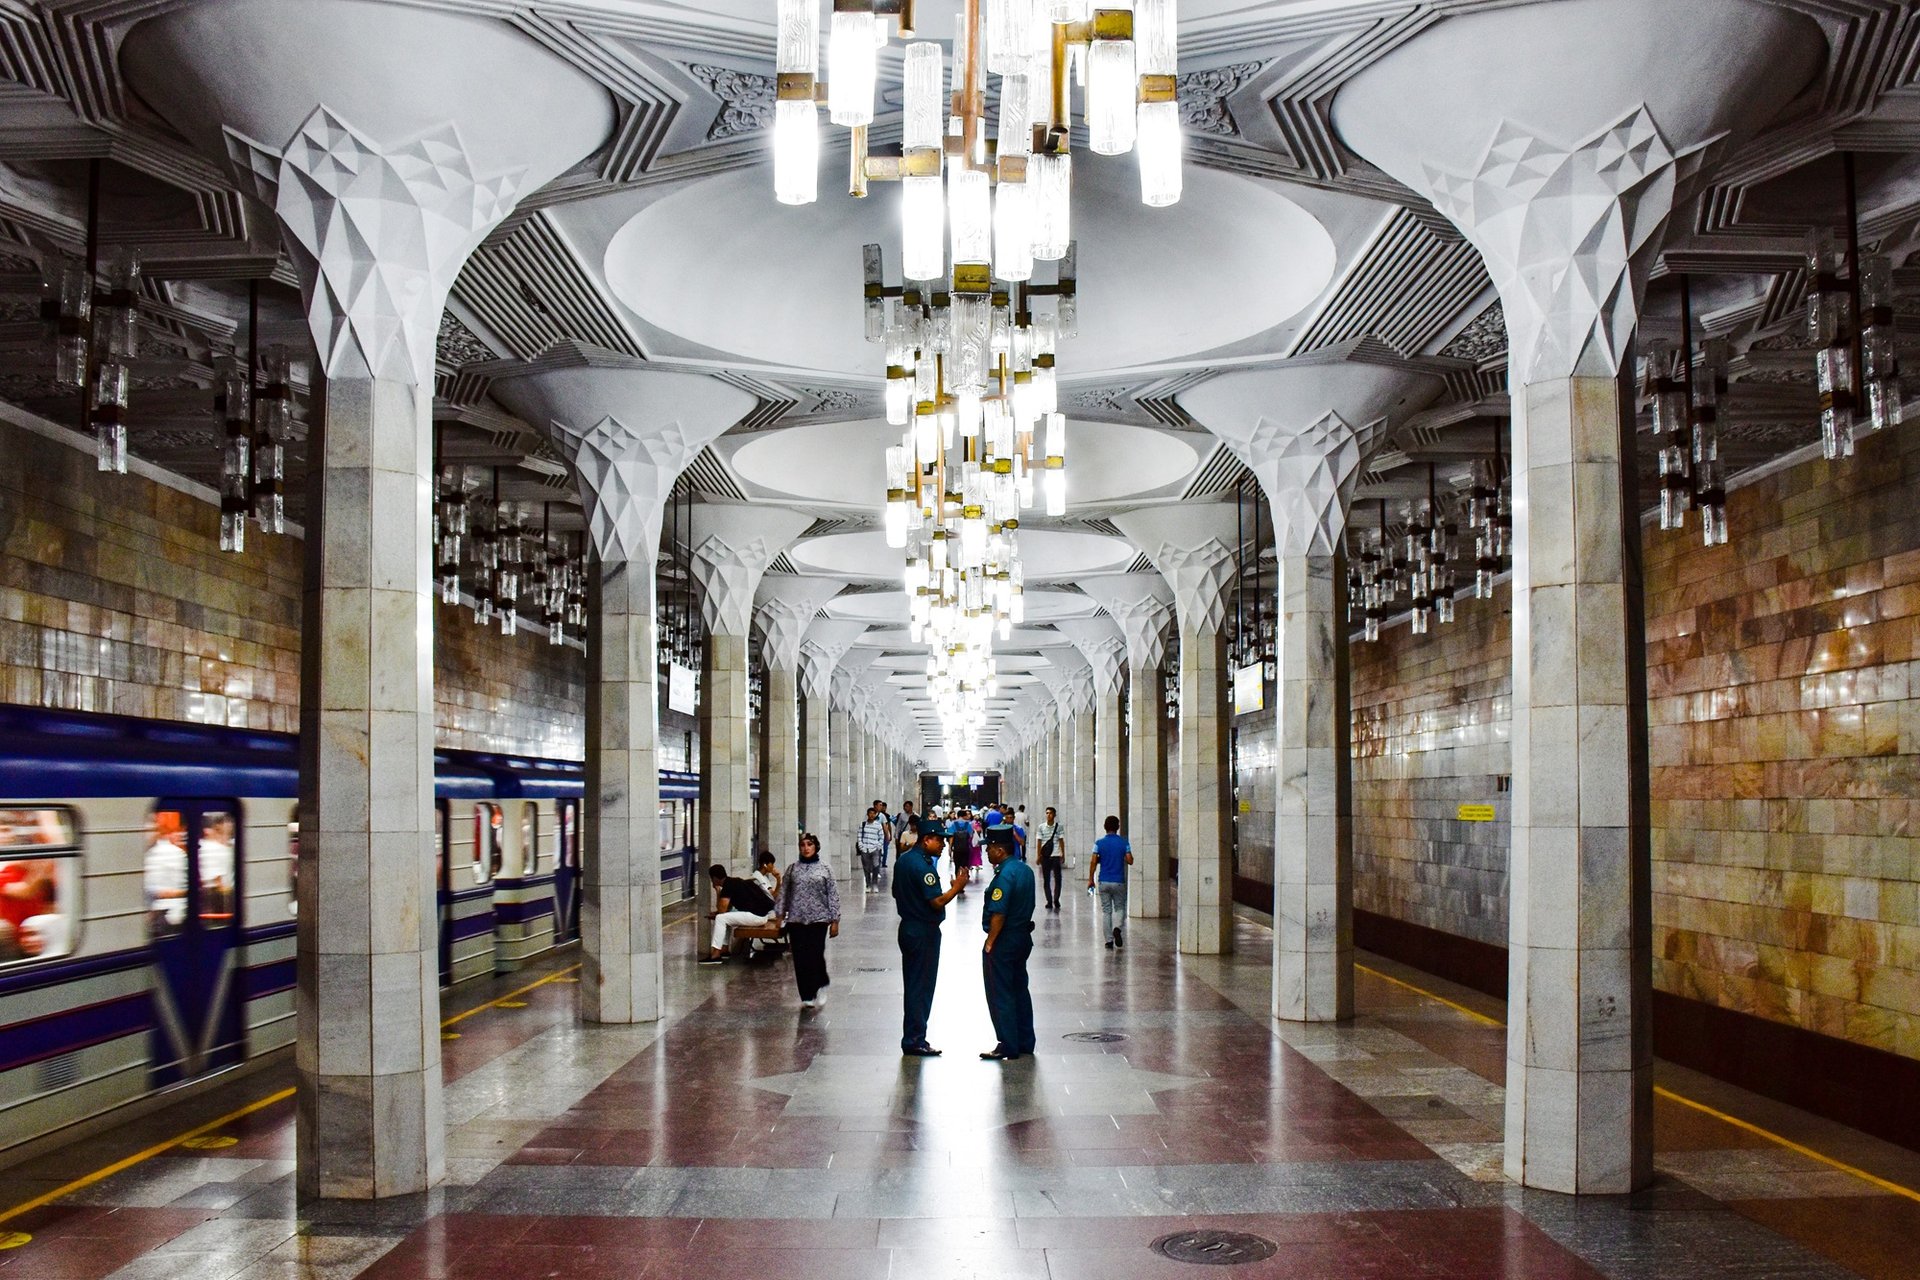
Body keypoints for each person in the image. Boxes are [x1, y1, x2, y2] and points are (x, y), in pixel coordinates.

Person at [892, 825, 969, 1057]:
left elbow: (896, 892)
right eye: (940, 841)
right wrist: (956, 888)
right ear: (927, 840)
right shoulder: (922, 865)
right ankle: (915, 1039)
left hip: (908, 927)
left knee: (914, 984)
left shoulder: (904, 861)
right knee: (921, 987)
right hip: (923, 931)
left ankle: (913, 1037)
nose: (944, 845)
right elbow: (936, 901)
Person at [979, 824, 1037, 1061]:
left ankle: (1008, 1043)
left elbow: (999, 913)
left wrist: (990, 942)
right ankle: (1025, 1041)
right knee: (1020, 989)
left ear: (999, 850)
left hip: (1004, 940)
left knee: (1000, 992)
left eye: (989, 848)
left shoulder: (1004, 875)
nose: (986, 852)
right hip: (1023, 937)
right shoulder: (1025, 870)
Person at [775, 832, 841, 1008]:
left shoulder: (825, 869)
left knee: (815, 954)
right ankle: (806, 993)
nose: (806, 848)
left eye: (809, 844)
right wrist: (780, 914)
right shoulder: (792, 869)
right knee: (800, 957)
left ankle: (821, 982)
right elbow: (784, 892)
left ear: (816, 847)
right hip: (796, 919)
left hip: (818, 919)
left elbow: (832, 894)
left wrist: (835, 920)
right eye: (803, 845)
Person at [701, 863, 778, 964]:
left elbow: (722, 910)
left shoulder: (727, 885)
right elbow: (726, 909)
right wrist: (717, 913)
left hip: (757, 916)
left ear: (714, 878)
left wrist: (717, 891)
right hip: (761, 915)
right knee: (724, 918)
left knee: (721, 918)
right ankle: (724, 950)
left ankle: (715, 954)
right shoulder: (734, 881)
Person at [1089, 815, 1134, 949]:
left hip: (1103, 881)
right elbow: (1130, 860)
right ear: (1118, 827)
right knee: (1120, 908)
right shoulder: (1123, 842)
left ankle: (1108, 941)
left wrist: (1091, 879)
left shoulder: (1098, 843)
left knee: (1106, 911)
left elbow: (1093, 862)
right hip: (1118, 881)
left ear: (1105, 827)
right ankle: (1117, 928)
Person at [144, 814, 188, 933]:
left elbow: (156, 892)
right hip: (178, 914)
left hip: (164, 917)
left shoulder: (155, 855)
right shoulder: (178, 853)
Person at [1033, 807, 1063, 911]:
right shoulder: (1041, 827)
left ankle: (1056, 899)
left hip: (1056, 855)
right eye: (1047, 813)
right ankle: (1049, 900)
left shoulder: (1059, 827)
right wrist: (1038, 856)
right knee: (1046, 879)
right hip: (1045, 856)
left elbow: (1061, 840)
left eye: (1050, 813)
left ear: (1054, 815)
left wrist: (1062, 854)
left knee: (1058, 879)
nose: (1048, 815)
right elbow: (1039, 842)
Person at [856, 807, 890, 890]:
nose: (871, 815)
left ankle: (874, 884)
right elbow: (859, 835)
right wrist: (861, 846)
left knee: (876, 866)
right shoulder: (863, 824)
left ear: (875, 815)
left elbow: (881, 836)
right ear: (867, 814)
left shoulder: (878, 825)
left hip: (875, 849)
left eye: (873, 813)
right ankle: (868, 884)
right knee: (866, 868)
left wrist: (878, 846)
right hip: (865, 849)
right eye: (870, 813)